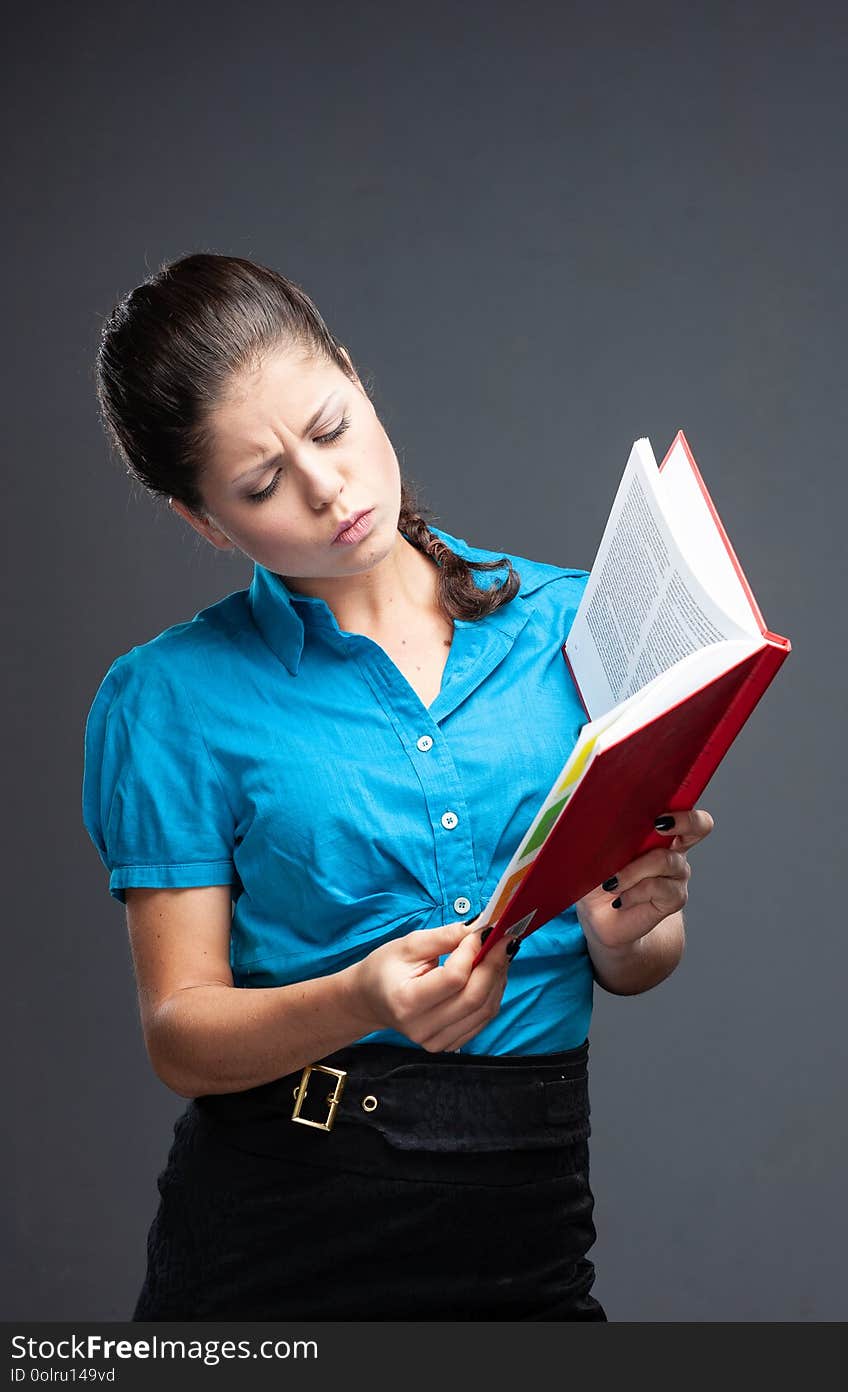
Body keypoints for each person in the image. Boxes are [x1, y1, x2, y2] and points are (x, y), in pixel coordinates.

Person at [82, 251, 714, 1322]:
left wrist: (627, 934)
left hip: (528, 1227)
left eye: (327, 428)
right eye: (260, 484)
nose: (327, 489)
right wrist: (359, 1000)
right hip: (272, 1239)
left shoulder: (576, 624)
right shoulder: (167, 698)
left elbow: (634, 955)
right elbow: (179, 1032)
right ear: (204, 521)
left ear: (353, 374)